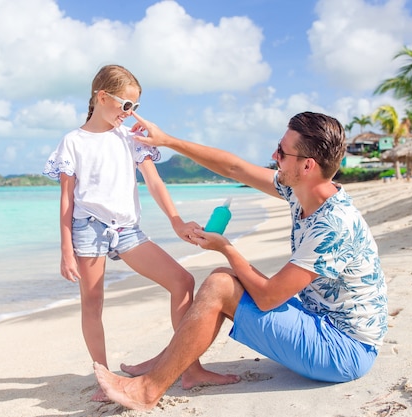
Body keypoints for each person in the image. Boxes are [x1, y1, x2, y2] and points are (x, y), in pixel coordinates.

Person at [94, 111, 388, 411]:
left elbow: (268, 296)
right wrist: (167, 141)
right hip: (323, 323)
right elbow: (234, 168)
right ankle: (178, 364)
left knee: (221, 284)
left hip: (344, 351)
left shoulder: (333, 224)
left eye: (282, 152)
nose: (274, 155)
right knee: (224, 277)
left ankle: (147, 390)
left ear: (307, 165)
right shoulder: (304, 190)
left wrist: (227, 248)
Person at [42, 64, 239, 402]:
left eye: (135, 107)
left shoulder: (130, 137)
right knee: (92, 302)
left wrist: (177, 221)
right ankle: (104, 378)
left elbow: (154, 181)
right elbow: (66, 201)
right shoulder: (72, 142)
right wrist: (65, 250)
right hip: (88, 229)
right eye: (126, 105)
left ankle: (190, 369)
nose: (130, 113)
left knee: (182, 281)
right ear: (101, 97)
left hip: (127, 229)